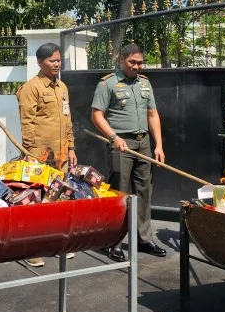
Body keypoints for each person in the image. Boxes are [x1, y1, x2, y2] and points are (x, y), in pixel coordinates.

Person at [91, 44, 167, 262]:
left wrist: (158, 146)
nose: (136, 66)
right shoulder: (108, 84)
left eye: (140, 62)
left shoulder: (144, 83)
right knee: (119, 194)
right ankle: (112, 242)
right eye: (132, 62)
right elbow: (97, 115)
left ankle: (144, 239)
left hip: (144, 144)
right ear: (121, 60)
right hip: (121, 145)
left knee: (144, 192)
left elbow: (153, 114)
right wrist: (114, 138)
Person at [16, 43, 77, 267]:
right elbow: (27, 123)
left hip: (60, 154)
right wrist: (30, 153)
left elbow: (67, 119)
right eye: (52, 60)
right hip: (38, 154)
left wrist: (71, 147)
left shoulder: (61, 87)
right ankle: (32, 248)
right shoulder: (30, 88)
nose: (57, 64)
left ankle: (57, 244)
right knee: (35, 200)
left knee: (58, 198)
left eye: (59, 60)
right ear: (40, 62)